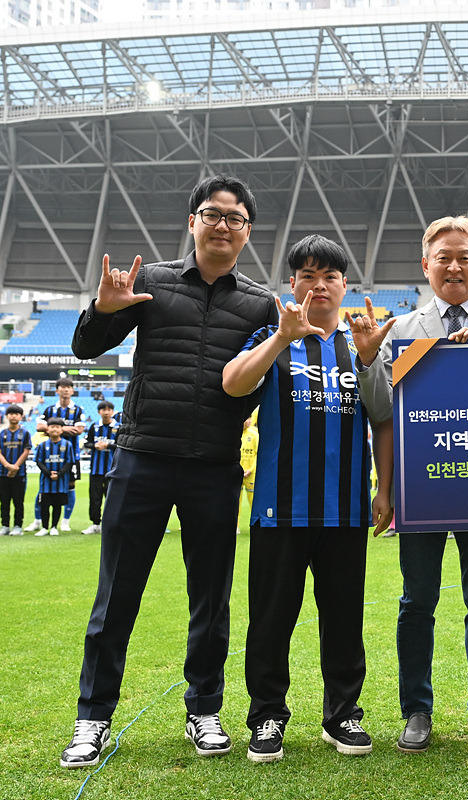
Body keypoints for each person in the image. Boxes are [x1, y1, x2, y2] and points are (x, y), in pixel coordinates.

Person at [60, 174, 277, 768]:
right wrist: (102, 310)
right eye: (212, 214)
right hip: (142, 460)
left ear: (247, 232)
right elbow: (86, 348)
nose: (222, 225)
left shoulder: (260, 303)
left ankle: (204, 708)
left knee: (211, 600)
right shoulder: (150, 282)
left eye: (234, 218)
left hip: (213, 467)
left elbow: (261, 380)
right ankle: (92, 718)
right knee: (115, 599)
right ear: (192, 222)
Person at [352, 215, 468, 753]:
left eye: (463, 257)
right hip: (421, 486)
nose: (454, 266)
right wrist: (365, 357)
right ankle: (416, 711)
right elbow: (380, 408)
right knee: (416, 602)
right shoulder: (399, 331)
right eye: (443, 257)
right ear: (425, 265)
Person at [222, 234, 394, 763]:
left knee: (343, 617)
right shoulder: (272, 336)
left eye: (330, 277)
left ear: (345, 285)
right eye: (308, 276)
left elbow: (384, 418)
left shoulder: (360, 341)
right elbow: (231, 384)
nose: (319, 286)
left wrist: (384, 489)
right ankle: (267, 714)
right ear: (292, 283)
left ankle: (343, 715)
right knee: (271, 619)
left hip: (345, 507)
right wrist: (278, 339)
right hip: (278, 507)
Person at [28, 377, 86, 533]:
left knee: (70, 486)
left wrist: (55, 427)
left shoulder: (78, 410)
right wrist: (66, 428)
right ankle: (37, 520)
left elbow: (79, 430)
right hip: (49, 455)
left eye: (68, 387)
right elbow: (39, 426)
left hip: (71, 455)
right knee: (44, 488)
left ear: (72, 391)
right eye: (62, 387)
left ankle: (65, 522)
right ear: (57, 390)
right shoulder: (49, 409)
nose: (65, 390)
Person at [0, 404, 32, 536]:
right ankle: (5, 526)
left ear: (21, 417)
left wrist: (15, 466)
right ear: (7, 416)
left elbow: (26, 451)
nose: (14, 416)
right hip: (3, 472)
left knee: (18, 501)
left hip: (19, 473)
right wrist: (8, 466)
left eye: (17, 414)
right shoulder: (1, 434)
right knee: (4, 501)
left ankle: (18, 526)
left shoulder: (25, 433)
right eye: (11, 413)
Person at [81, 401, 119, 535]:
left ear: (113, 412)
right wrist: (94, 446)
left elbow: (122, 446)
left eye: (109, 409)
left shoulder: (118, 427)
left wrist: (107, 446)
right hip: (96, 470)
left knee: (112, 498)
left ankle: (110, 525)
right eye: (103, 409)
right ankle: (95, 524)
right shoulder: (94, 426)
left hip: (113, 471)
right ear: (99, 412)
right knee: (95, 498)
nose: (106, 412)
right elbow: (86, 443)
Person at [35, 418, 76, 537]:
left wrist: (59, 474)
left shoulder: (67, 445)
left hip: (61, 481)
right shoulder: (42, 445)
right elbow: (39, 461)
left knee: (57, 505)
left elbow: (69, 462)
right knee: (44, 505)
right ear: (47, 429)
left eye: (57, 427)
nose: (54, 429)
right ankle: (44, 527)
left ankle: (54, 527)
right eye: (52, 426)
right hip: (45, 482)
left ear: (62, 430)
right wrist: (48, 473)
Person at [237, 412, 258, 535]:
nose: (248, 421)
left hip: (251, 474)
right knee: (236, 502)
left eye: (250, 418)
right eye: (246, 419)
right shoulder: (236, 433)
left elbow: (258, 454)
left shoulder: (255, 434)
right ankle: (235, 526)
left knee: (254, 502)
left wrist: (251, 470)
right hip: (237, 473)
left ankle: (255, 526)